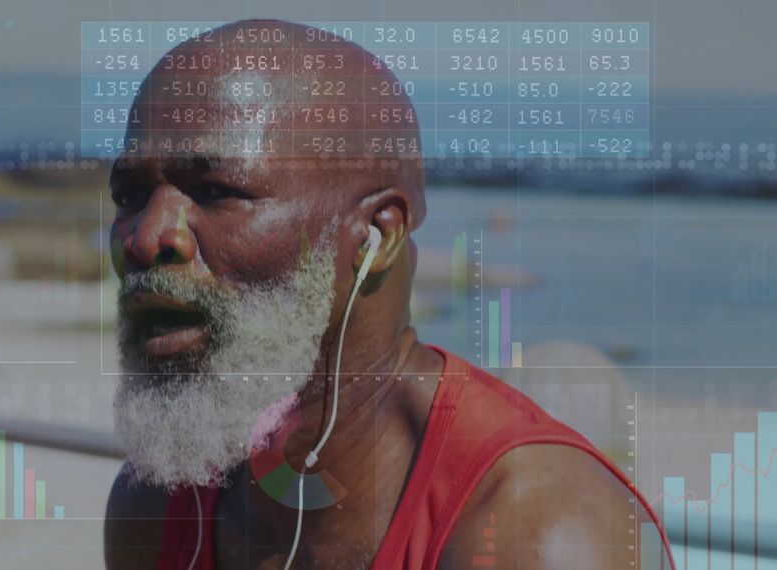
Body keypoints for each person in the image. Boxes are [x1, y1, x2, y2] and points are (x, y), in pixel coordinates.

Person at [104, 19, 674, 569]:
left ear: (376, 236)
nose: (148, 236)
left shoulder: (531, 531)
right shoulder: (157, 506)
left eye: (216, 190)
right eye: (130, 196)